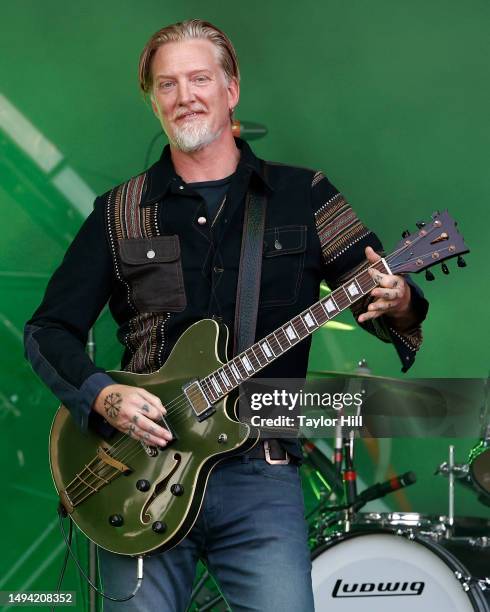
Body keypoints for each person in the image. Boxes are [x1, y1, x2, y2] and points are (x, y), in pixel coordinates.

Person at [24, 19, 428, 612]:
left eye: (199, 78)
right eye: (167, 84)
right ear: (152, 100)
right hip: (141, 469)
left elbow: (378, 292)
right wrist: (103, 395)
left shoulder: (304, 194)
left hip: (260, 471)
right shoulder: (119, 212)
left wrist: (400, 300)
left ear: (230, 90)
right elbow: (48, 330)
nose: (184, 95)